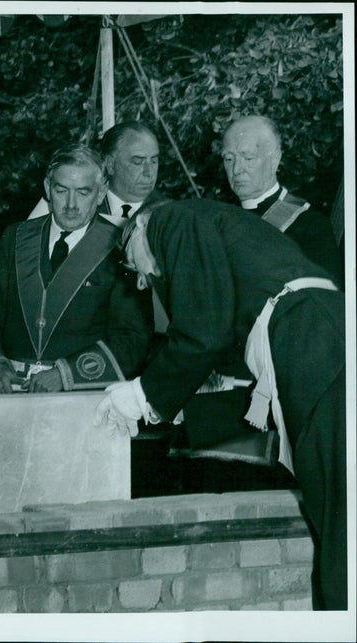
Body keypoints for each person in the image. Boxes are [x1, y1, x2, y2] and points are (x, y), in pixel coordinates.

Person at [95, 198, 346, 610]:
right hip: (321, 347)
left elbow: (203, 333)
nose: (141, 280)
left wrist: (143, 394)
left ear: (139, 226)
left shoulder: (169, 218)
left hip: (318, 345)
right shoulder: (258, 286)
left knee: (341, 535)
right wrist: (180, 411)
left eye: (129, 262)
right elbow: (255, 399)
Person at [0, 143, 153, 394]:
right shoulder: (16, 238)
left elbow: (133, 338)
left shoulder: (122, 248)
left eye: (83, 192)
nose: (71, 204)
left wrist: (66, 375)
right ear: (47, 189)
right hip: (9, 393)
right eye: (62, 190)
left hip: (81, 398)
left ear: (101, 194)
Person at [221, 115, 343, 285]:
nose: (236, 169)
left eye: (248, 158)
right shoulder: (220, 219)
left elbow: (325, 301)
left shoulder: (310, 225)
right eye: (229, 159)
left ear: (274, 160)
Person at [27, 121, 163, 222]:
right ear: (110, 164)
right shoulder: (65, 203)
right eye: (137, 162)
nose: (148, 172)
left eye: (154, 161)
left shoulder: (171, 213)